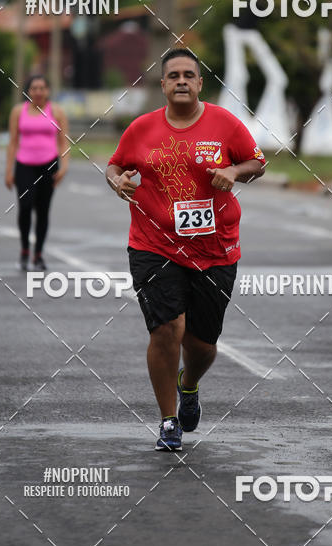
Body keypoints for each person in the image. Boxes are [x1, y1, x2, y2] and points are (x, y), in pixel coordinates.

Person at [106, 48, 266, 451]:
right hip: (153, 245)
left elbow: (257, 162)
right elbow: (115, 165)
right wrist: (117, 182)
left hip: (216, 249)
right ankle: (167, 420)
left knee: (202, 344)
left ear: (199, 83)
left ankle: (189, 384)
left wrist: (233, 170)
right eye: (172, 75)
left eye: (188, 75)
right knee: (166, 331)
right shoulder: (141, 129)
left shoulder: (225, 124)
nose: (181, 80)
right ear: (162, 85)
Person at [5, 75, 69, 271]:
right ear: (28, 91)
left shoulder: (57, 111)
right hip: (24, 165)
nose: (38, 92)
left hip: (49, 165)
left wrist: (64, 167)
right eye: (34, 88)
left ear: (48, 91)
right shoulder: (18, 111)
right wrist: (9, 171)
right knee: (25, 206)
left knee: (42, 211)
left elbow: (64, 142)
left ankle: (38, 254)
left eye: (42, 88)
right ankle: (25, 249)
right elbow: (13, 142)